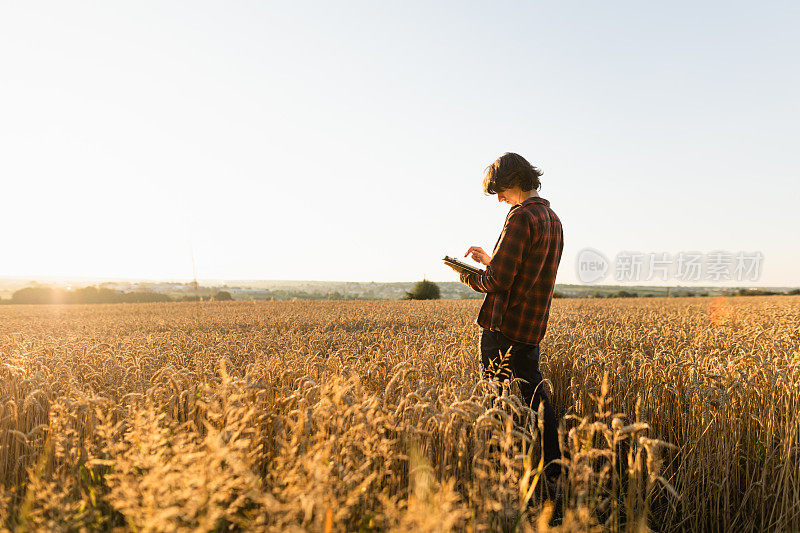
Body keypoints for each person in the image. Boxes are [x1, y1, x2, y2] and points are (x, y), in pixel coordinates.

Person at [452, 152, 564, 480]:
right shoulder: (552, 218)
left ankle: (502, 473)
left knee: (498, 402)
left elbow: (498, 282)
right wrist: (492, 259)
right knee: (536, 399)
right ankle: (554, 472)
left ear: (514, 182)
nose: (500, 199)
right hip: (531, 326)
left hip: (503, 325)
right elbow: (526, 270)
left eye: (500, 191)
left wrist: (468, 275)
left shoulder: (520, 217)